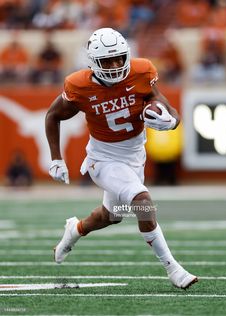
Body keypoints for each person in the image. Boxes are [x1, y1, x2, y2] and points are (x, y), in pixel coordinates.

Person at [45, 27, 198, 289]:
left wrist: (171, 122)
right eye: (108, 61)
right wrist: (56, 158)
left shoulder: (142, 71)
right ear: (94, 63)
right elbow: (53, 116)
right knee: (143, 203)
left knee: (110, 216)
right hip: (103, 159)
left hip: (134, 156)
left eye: (119, 58)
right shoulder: (79, 85)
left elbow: (166, 106)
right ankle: (173, 269)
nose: (116, 66)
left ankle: (75, 230)